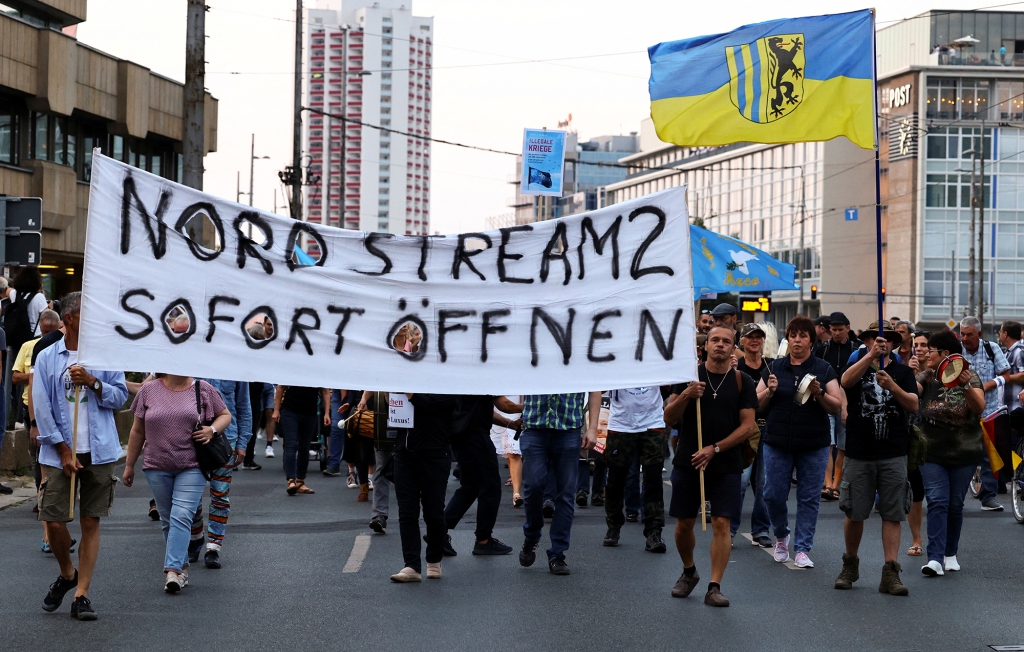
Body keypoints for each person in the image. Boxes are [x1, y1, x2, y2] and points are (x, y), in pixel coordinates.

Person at [34, 292, 128, 619]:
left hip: (99, 451)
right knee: (53, 519)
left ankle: (82, 594)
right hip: (59, 451)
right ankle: (67, 572)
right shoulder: (47, 357)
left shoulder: (105, 355)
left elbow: (119, 398)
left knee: (90, 520)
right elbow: (42, 406)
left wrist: (93, 382)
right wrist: (61, 448)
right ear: (72, 319)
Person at [663, 326, 757, 607]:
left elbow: (748, 426)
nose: (720, 345)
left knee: (721, 523)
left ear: (732, 348)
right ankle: (689, 571)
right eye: (715, 340)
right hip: (688, 460)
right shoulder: (688, 378)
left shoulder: (742, 381)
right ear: (705, 347)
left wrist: (714, 449)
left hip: (725, 462)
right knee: (684, 524)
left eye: (726, 341)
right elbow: (669, 417)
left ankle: (715, 586)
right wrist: (686, 395)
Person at [123, 374, 231, 592]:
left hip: (192, 466)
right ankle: (181, 566)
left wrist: (212, 429)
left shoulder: (203, 388)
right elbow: (137, 430)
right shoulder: (148, 390)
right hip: (156, 466)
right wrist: (129, 465)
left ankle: (173, 570)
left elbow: (224, 414)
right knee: (167, 519)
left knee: (181, 515)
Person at [834, 322, 918, 596]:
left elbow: (914, 404)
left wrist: (892, 385)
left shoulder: (903, 372)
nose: (881, 344)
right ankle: (850, 564)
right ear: (868, 342)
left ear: (894, 344)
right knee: (855, 511)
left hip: (893, 451)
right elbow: (845, 382)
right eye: (874, 340)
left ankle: (890, 572)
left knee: (893, 513)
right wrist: (870, 358)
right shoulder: (858, 366)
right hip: (859, 452)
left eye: (886, 341)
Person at [758, 316, 842, 568]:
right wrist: (769, 391)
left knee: (808, 497)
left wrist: (820, 393)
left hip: (813, 443)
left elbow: (836, 406)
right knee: (772, 494)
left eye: (803, 336)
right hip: (777, 441)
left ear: (811, 341)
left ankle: (803, 547)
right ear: (788, 339)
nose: (797, 340)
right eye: (793, 335)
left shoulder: (823, 368)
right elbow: (755, 404)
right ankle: (781, 536)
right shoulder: (773, 368)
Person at [916, 330, 985, 577]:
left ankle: (949, 554)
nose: (924, 352)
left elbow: (979, 407)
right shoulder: (926, 376)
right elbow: (910, 396)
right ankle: (934, 559)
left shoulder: (971, 376)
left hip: (964, 452)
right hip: (931, 451)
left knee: (955, 504)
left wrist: (964, 384)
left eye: (930, 349)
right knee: (937, 501)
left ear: (945, 353)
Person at [518, 391, 601, 576]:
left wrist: (592, 428)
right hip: (535, 426)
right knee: (533, 485)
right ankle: (532, 534)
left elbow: (595, 387)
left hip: (568, 428)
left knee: (566, 493)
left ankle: (557, 553)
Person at [390, 393, 458, 582]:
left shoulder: (447, 384)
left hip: (435, 452)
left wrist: (410, 394)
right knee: (406, 511)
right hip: (404, 453)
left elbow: (432, 404)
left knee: (433, 510)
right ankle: (411, 565)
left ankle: (434, 559)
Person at [443, 395, 522, 556]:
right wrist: (533, 406)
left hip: (460, 434)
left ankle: (438, 531)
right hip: (475, 436)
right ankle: (483, 540)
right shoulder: (483, 374)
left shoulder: (466, 377)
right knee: (490, 486)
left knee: (470, 487)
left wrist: (510, 423)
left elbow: (482, 410)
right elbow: (505, 405)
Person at [188, 377, 251, 569]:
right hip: (193, 440)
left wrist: (242, 443)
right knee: (191, 496)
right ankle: (196, 537)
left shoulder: (235, 369)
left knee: (220, 496)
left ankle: (213, 547)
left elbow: (243, 406)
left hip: (225, 441)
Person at [601, 386, 668, 552]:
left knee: (653, 480)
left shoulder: (654, 359)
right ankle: (614, 525)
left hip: (652, 422)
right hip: (621, 424)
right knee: (615, 481)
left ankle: (654, 531)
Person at [958, 316, 1010, 511]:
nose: (964, 338)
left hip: (988, 411)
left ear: (979, 334)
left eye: (969, 334)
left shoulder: (992, 349)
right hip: (962, 412)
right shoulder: (957, 351)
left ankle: (988, 497)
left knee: (989, 455)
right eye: (962, 334)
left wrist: (986, 385)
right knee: (961, 455)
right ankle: (957, 498)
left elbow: (1005, 375)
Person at [733, 323, 773, 547]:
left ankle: (760, 530)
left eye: (759, 337)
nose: (755, 341)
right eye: (750, 337)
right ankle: (729, 529)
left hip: (767, 428)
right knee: (740, 481)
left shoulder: (772, 366)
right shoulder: (736, 367)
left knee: (764, 484)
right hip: (745, 431)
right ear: (742, 342)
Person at [816, 311, 859, 503]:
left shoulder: (855, 349)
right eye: (833, 330)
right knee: (828, 443)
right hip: (826, 400)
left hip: (848, 402)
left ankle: (837, 484)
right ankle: (827, 484)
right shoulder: (823, 349)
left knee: (842, 445)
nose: (837, 333)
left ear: (848, 329)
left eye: (840, 330)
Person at [273, 385, 331, 495]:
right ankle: (291, 480)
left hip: (310, 413)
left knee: (305, 447)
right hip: (290, 411)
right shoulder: (293, 369)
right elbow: (280, 387)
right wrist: (276, 410)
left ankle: (300, 481)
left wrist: (327, 413)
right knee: (291, 444)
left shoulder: (317, 371)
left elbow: (325, 391)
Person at [906, 330, 931, 557]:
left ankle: (937, 539)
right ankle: (916, 538)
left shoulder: (940, 373)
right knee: (915, 490)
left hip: (935, 438)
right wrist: (911, 374)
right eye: (917, 345)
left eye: (924, 345)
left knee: (934, 492)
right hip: (914, 437)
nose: (920, 348)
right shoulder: (907, 371)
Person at [491, 395, 524, 508]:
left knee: (514, 452)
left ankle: (516, 492)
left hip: (517, 400)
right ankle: (515, 486)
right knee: (509, 451)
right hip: (500, 402)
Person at [322, 389, 354, 477]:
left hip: (357, 391)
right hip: (339, 392)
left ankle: (352, 464)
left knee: (355, 426)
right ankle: (334, 464)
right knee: (337, 426)